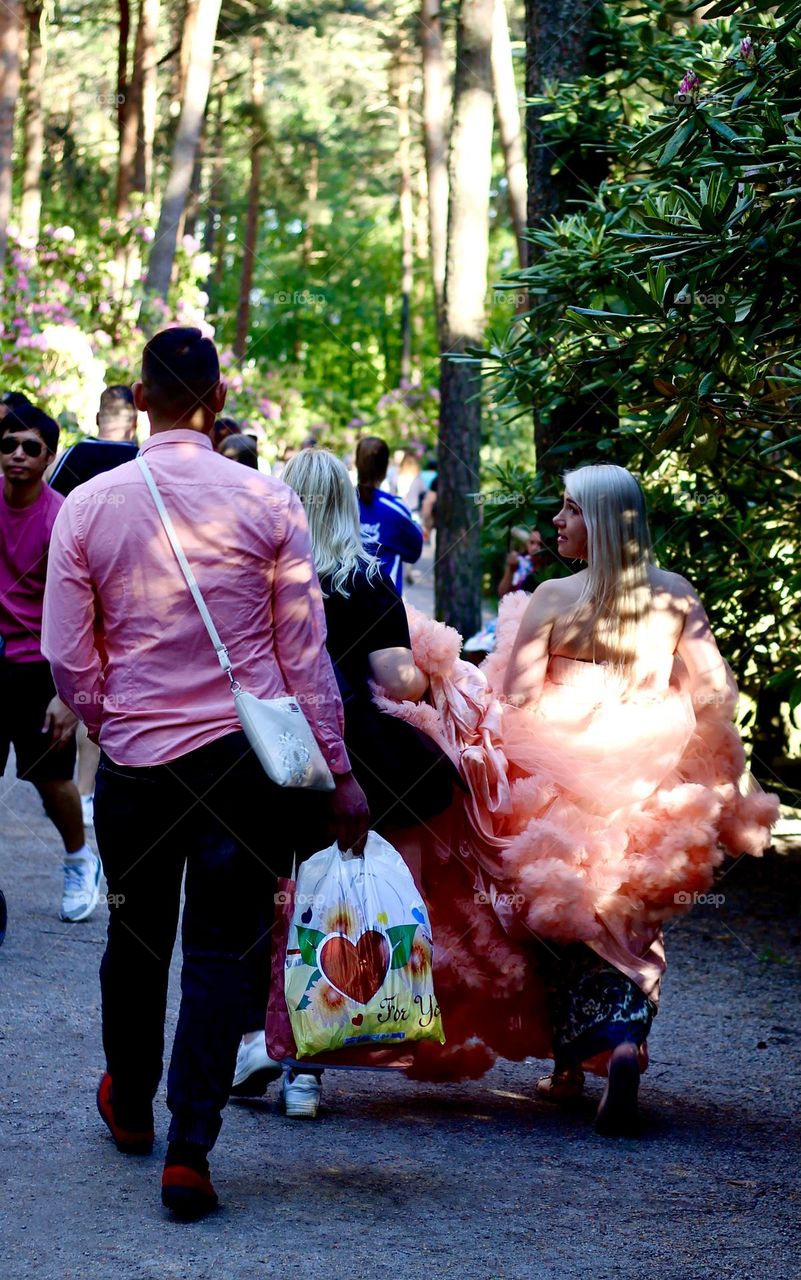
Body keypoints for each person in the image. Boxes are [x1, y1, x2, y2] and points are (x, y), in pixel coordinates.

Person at [42, 327, 369, 1219]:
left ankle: (130, 1103)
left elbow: (67, 659)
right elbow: (305, 659)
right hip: (244, 769)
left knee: (135, 941)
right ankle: (191, 1147)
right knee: (224, 953)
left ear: (138, 399)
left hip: (140, 771)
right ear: (218, 402)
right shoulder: (270, 505)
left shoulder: (89, 505)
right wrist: (338, 771)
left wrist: (118, 724)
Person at [372, 462, 778, 1131]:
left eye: (567, 509)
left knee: (559, 918)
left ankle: (577, 1061)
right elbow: (710, 695)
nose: (555, 520)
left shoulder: (554, 600)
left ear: (601, 521)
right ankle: (618, 1044)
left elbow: (518, 701)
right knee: (626, 917)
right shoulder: (674, 595)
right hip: (654, 777)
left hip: (555, 776)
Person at [232, 447, 458, 1113]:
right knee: (324, 902)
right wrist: (434, 668)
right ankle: (306, 1071)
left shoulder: (253, 574)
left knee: (261, 899)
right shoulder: (366, 581)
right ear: (344, 505)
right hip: (347, 758)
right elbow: (397, 679)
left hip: (262, 751)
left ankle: (257, 1038)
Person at [0, 403, 99, 923]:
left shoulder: (62, 518)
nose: (17, 455)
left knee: (48, 781)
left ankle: (81, 860)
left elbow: (84, 609)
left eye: (30, 447)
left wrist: (69, 694)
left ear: (48, 456)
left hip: (37, 667)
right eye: (8, 444)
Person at [49, 385, 139, 829]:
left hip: (83, 589)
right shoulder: (142, 457)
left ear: (98, 414)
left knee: (87, 684)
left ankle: (84, 791)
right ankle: (91, 787)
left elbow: (50, 511)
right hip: (131, 593)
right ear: (134, 418)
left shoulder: (79, 456)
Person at [356, 435, 422, 593]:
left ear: (357, 464)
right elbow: (414, 552)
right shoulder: (396, 510)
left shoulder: (338, 504)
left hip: (341, 603)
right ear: (385, 468)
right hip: (386, 604)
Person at [49, 385, 139, 497]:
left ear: (97, 418)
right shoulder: (141, 459)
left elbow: (53, 501)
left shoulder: (75, 454)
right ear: (135, 422)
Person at [497, 528, 548, 598]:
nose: (535, 547)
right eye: (532, 542)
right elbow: (502, 593)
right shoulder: (518, 560)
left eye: (540, 544)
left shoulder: (547, 565)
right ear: (527, 544)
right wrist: (510, 568)